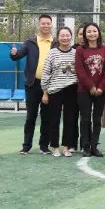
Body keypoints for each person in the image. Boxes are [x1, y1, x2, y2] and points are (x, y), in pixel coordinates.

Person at [10, 14, 55, 155]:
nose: (46, 26)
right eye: (43, 23)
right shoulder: (30, 42)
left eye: (48, 23)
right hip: (32, 84)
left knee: (47, 117)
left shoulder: (55, 43)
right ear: (39, 25)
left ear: (51, 25)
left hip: (50, 86)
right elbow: (18, 55)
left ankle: (44, 146)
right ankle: (26, 146)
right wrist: (13, 53)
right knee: (31, 117)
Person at [41, 27, 79, 157]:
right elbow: (46, 72)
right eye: (62, 35)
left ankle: (66, 147)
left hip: (71, 89)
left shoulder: (76, 53)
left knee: (70, 119)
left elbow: (79, 71)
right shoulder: (52, 53)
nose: (65, 38)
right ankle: (55, 147)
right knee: (54, 119)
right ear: (58, 37)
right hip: (55, 90)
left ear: (71, 37)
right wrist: (45, 92)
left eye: (67, 35)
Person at [75, 22, 105, 156]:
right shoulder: (80, 50)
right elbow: (80, 70)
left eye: (94, 31)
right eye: (89, 31)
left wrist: (100, 87)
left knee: (97, 119)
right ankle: (85, 147)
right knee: (85, 119)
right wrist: (91, 86)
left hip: (101, 90)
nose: (92, 34)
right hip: (84, 90)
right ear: (85, 34)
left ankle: (94, 146)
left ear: (98, 33)